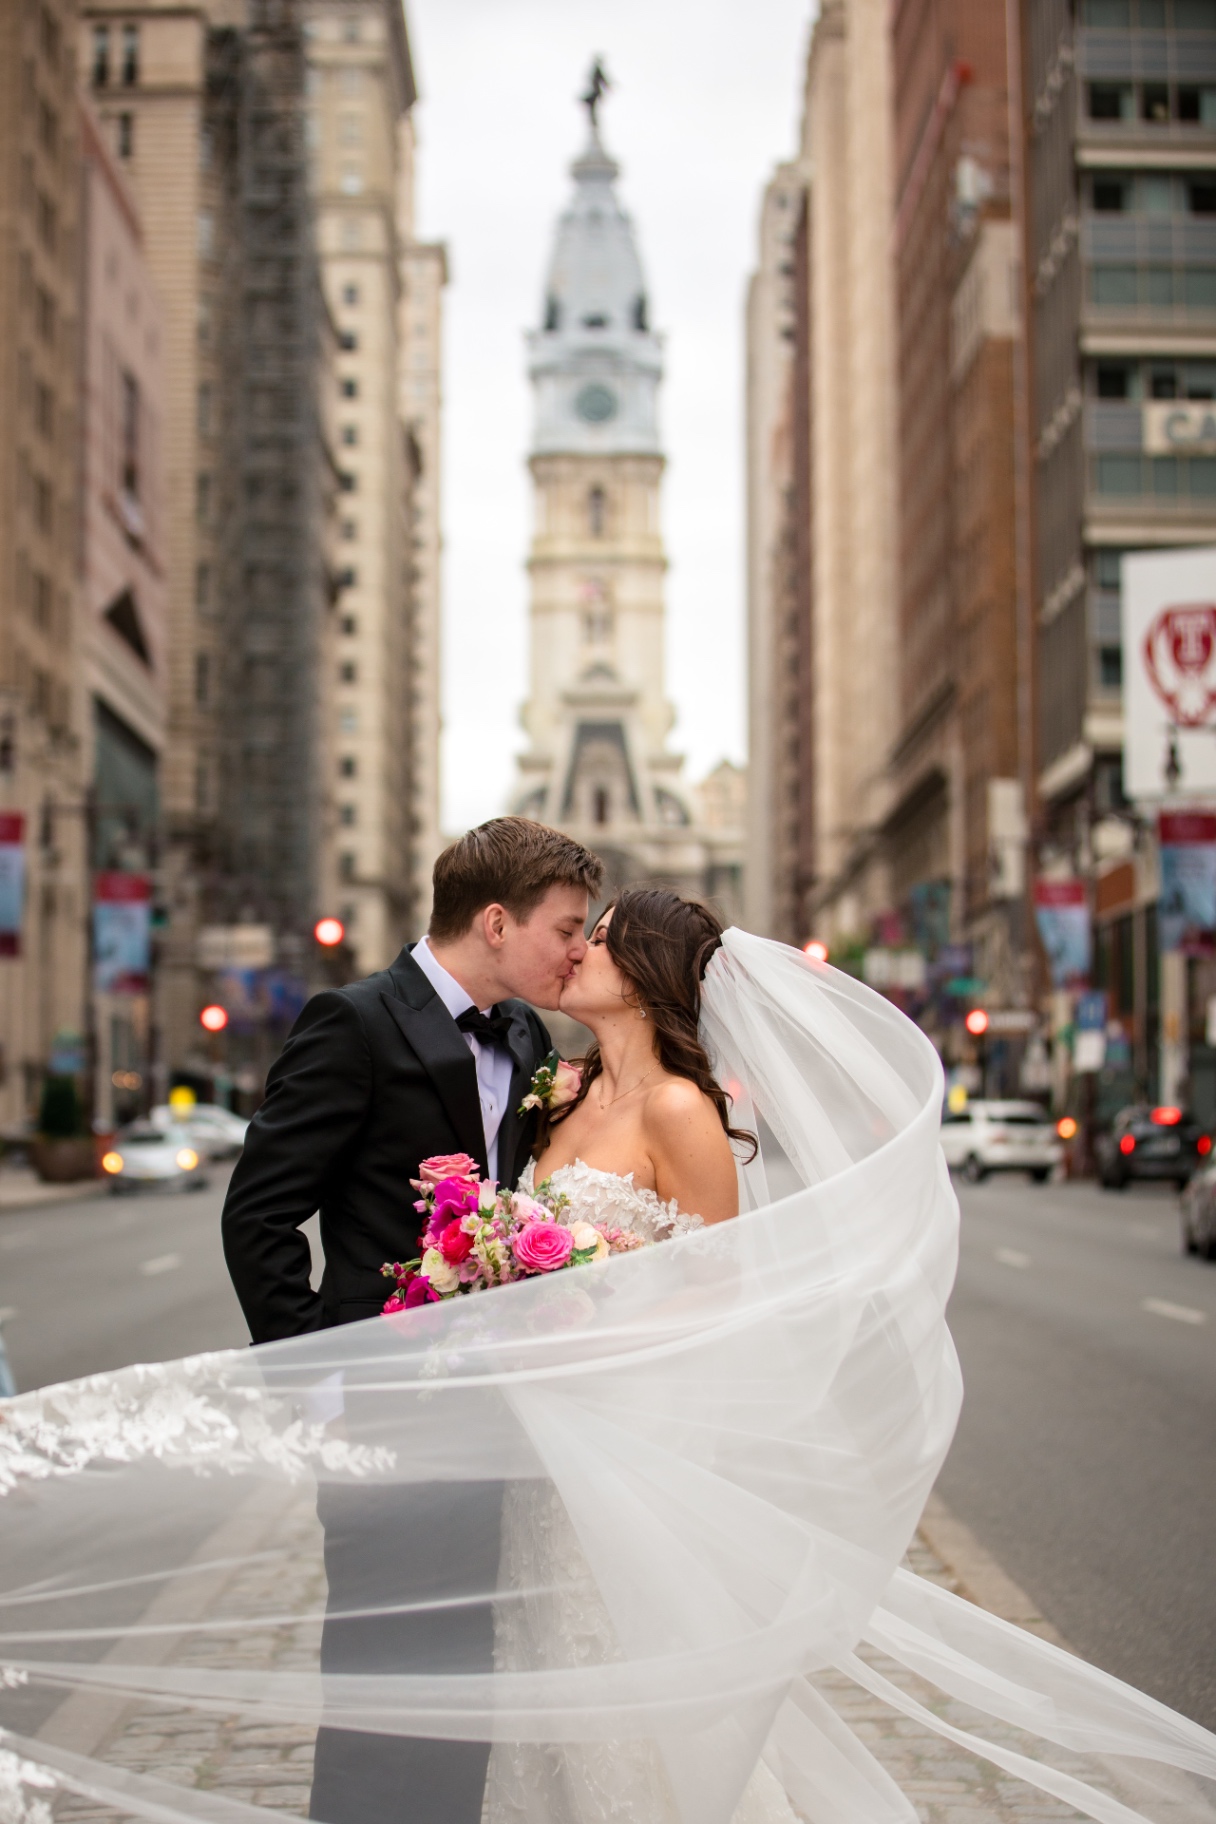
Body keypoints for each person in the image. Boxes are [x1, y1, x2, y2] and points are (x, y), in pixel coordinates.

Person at [220, 815, 603, 1824]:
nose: (576, 948)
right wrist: (326, 1380)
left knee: (465, 1686)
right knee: (379, 1685)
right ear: (492, 921)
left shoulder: (524, 1036)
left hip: (497, 1421)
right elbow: (260, 1214)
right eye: (565, 927)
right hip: (383, 1421)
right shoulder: (352, 1023)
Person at [481, 887, 800, 1823]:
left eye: (603, 940)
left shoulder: (678, 1112)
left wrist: (588, 1330)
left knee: (619, 1663)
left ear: (650, 974)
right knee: (539, 1660)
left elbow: (717, 1289)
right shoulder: (560, 1090)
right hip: (536, 1440)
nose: (578, 952)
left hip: (627, 1433)